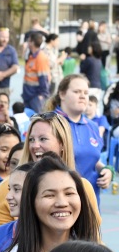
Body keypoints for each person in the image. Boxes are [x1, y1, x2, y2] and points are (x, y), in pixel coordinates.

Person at [0, 111, 102, 232]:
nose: (35, 145)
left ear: (62, 143)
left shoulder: (83, 187)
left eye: (43, 139)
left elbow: (93, 238)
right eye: (31, 139)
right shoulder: (8, 188)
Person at [45, 74, 109, 202]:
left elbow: (92, 159)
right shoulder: (48, 123)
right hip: (60, 203)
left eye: (86, 92)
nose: (82, 96)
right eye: (77, 92)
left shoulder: (92, 126)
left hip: (90, 201)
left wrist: (106, 170)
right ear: (62, 94)